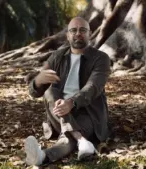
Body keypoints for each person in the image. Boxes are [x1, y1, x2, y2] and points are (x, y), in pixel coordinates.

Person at [25, 17, 111, 166]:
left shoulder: (101, 58)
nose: (78, 33)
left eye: (83, 30)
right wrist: (38, 80)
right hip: (58, 112)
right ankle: (81, 140)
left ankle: (43, 156)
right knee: (50, 92)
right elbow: (35, 93)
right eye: (73, 30)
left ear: (89, 34)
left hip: (88, 113)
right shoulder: (56, 57)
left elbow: (93, 87)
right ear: (67, 35)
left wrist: (71, 102)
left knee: (67, 137)